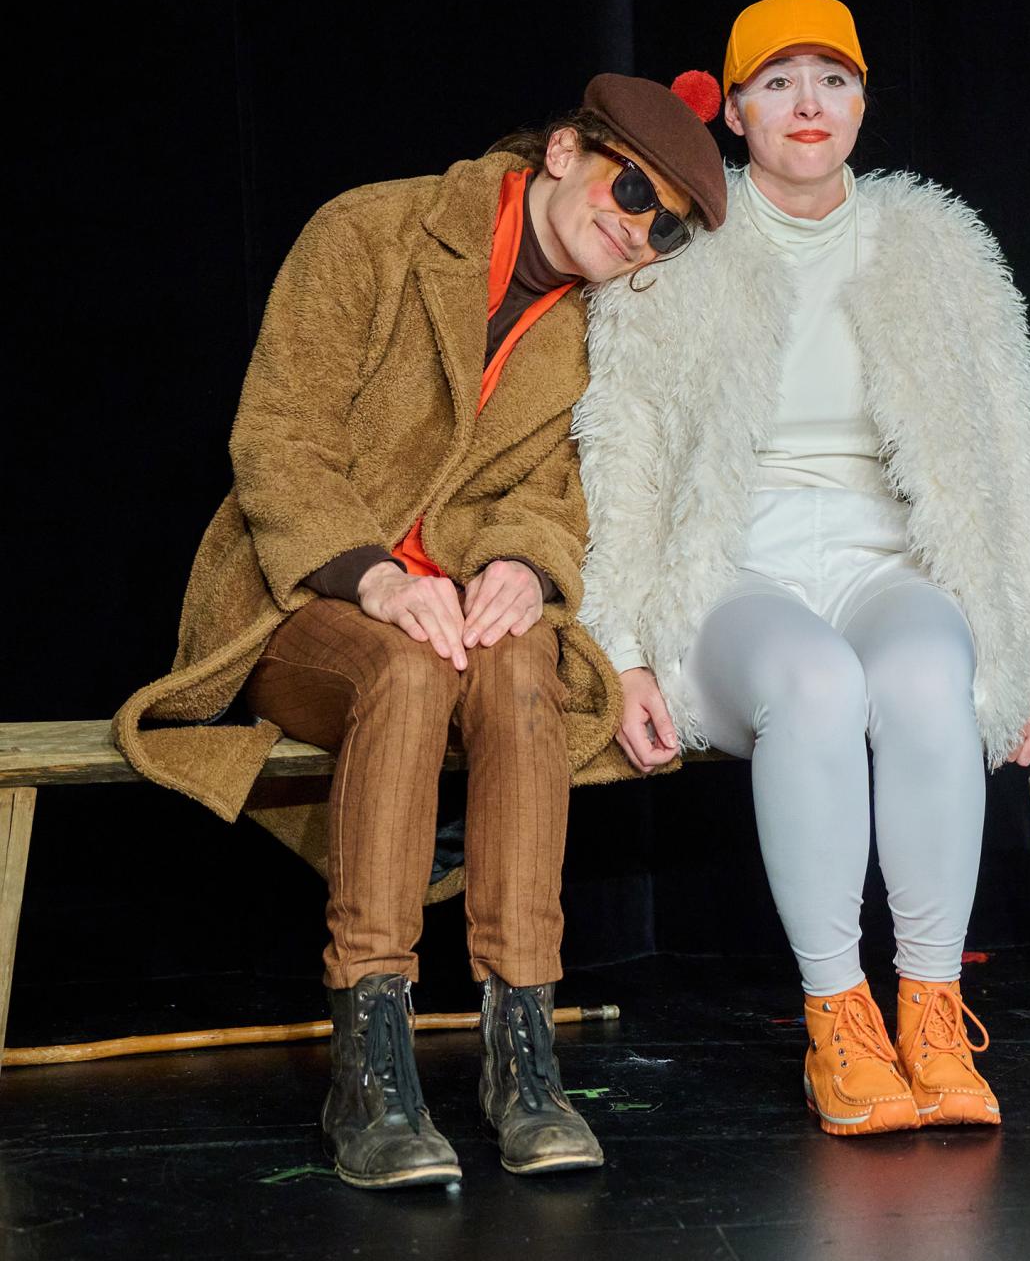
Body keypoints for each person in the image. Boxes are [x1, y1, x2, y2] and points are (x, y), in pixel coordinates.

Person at [115, 72, 727, 1188]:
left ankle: (521, 1055)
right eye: (632, 188)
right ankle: (372, 1059)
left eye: (668, 229)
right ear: (562, 153)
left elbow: (554, 487)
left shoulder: (598, 330)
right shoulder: (374, 230)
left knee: (526, 669)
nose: (638, 230)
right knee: (404, 669)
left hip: (457, 613)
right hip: (299, 602)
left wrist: (516, 561)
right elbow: (278, 439)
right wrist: (376, 580)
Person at [574, 0, 1030, 1137]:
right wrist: (618, 654)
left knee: (921, 671)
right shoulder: (678, 246)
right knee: (814, 682)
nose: (807, 105)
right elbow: (618, 461)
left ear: (863, 101)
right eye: (777, 82)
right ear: (735, 113)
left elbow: (1015, 455)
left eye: (833, 79)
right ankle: (838, 1022)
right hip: (729, 577)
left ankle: (929, 1007)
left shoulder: (938, 245)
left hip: (882, 560)